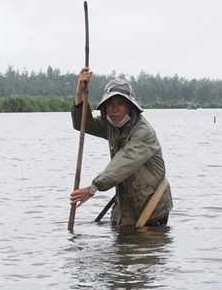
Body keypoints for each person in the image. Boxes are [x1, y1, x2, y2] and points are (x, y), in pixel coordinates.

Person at [69, 67, 173, 227]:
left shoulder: (143, 132)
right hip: (124, 210)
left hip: (151, 212)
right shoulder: (111, 125)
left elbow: (124, 161)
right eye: (110, 104)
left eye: (120, 104)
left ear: (130, 107)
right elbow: (82, 124)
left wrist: (93, 187)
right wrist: (80, 93)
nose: (114, 109)